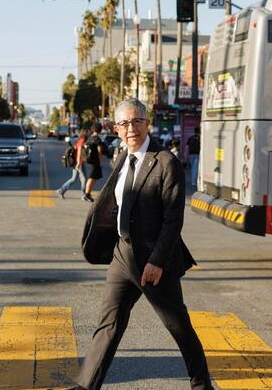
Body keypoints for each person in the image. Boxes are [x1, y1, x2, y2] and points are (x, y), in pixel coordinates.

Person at [72, 100, 212, 390]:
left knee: (178, 326)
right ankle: (86, 386)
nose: (130, 129)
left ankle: (202, 385)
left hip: (154, 261)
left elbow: (173, 219)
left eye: (136, 121)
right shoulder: (122, 158)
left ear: (147, 123)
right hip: (123, 255)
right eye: (124, 123)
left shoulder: (165, 162)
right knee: (108, 323)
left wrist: (158, 261)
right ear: (116, 128)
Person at [56, 129, 88, 199]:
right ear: (85, 134)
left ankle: (61, 190)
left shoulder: (79, 140)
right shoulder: (82, 141)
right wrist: (79, 163)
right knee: (84, 179)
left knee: (73, 179)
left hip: (76, 162)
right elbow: (79, 152)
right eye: (88, 133)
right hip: (78, 162)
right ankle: (83, 195)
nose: (89, 134)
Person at [83, 124, 104, 203]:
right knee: (92, 178)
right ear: (100, 130)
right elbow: (99, 151)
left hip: (89, 161)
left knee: (93, 178)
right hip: (95, 162)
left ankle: (88, 193)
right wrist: (100, 161)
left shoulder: (90, 138)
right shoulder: (97, 139)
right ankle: (87, 194)